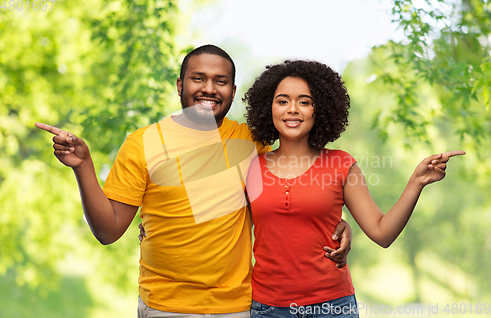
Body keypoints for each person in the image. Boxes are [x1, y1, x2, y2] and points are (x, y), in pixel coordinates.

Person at [35, 45, 353, 317]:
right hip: (164, 307)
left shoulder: (252, 140)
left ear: (233, 89)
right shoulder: (142, 143)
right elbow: (108, 231)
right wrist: (84, 167)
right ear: (179, 85)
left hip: (238, 307)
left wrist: (335, 222)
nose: (209, 89)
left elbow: (294, 189)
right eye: (198, 78)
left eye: (221, 81)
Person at [243, 60, 465, 317]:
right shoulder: (251, 168)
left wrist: (416, 183)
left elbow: (382, 233)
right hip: (267, 308)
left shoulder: (341, 164)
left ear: (320, 109)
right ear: (268, 107)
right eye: (282, 101)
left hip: (331, 307)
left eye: (304, 102)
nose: (293, 109)